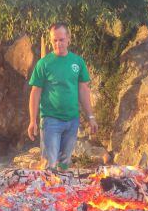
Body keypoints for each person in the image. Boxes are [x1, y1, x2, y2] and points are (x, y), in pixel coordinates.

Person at [27, 22, 98, 171]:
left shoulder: (77, 62)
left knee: (65, 164)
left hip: (72, 120)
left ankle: (60, 192)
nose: (58, 43)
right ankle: (47, 193)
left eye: (61, 39)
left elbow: (83, 91)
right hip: (50, 121)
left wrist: (90, 117)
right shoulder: (44, 64)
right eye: (54, 40)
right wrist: (32, 120)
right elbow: (35, 92)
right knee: (50, 166)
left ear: (68, 39)